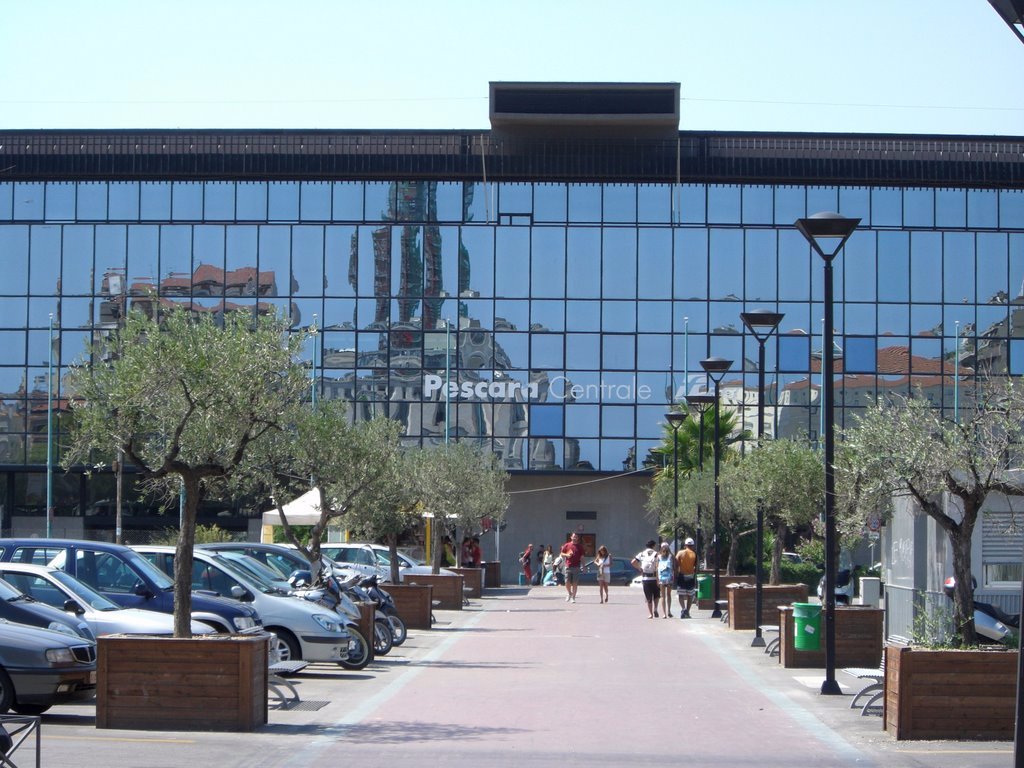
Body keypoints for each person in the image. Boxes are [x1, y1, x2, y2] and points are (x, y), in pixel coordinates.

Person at [631, 540, 661, 618]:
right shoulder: (656, 554)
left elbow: (633, 562)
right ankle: (656, 608)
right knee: (656, 595)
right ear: (653, 546)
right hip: (655, 577)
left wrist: (639, 568)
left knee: (648, 596)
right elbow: (659, 565)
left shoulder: (642, 554)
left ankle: (650, 614)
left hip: (645, 578)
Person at [675, 537, 698, 618]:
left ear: (685, 545)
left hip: (682, 575)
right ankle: (687, 611)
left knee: (681, 594)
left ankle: (683, 609)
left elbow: (676, 563)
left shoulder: (680, 553)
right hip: (691, 576)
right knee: (690, 595)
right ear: (692, 545)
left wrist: (675, 573)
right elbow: (696, 566)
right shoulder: (694, 554)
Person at [560, 533, 583, 603]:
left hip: (576, 566)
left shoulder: (579, 546)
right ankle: (569, 593)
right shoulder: (567, 545)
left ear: (577, 538)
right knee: (567, 582)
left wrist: (584, 566)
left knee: (575, 583)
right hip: (568, 566)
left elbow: (582, 557)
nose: (574, 538)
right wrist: (567, 554)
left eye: (576, 537)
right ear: (571, 537)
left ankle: (573, 598)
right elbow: (561, 553)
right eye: (573, 537)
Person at [657, 542, 676, 618]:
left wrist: (657, 579)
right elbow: (674, 567)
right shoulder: (671, 556)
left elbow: (656, 568)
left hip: (661, 578)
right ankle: (669, 611)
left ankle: (664, 613)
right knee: (668, 595)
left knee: (663, 596)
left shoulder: (658, 557)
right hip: (669, 578)